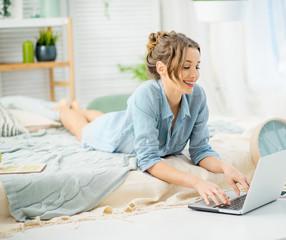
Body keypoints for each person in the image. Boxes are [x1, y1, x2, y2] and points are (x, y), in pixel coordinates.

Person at [58, 31, 250, 206]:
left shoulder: (197, 95)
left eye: (197, 66)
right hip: (113, 133)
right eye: (186, 67)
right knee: (82, 130)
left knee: (104, 117)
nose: (194, 75)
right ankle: (64, 108)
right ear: (162, 68)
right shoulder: (146, 95)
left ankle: (79, 107)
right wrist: (198, 182)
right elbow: (148, 160)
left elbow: (200, 150)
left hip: (123, 120)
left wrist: (226, 167)